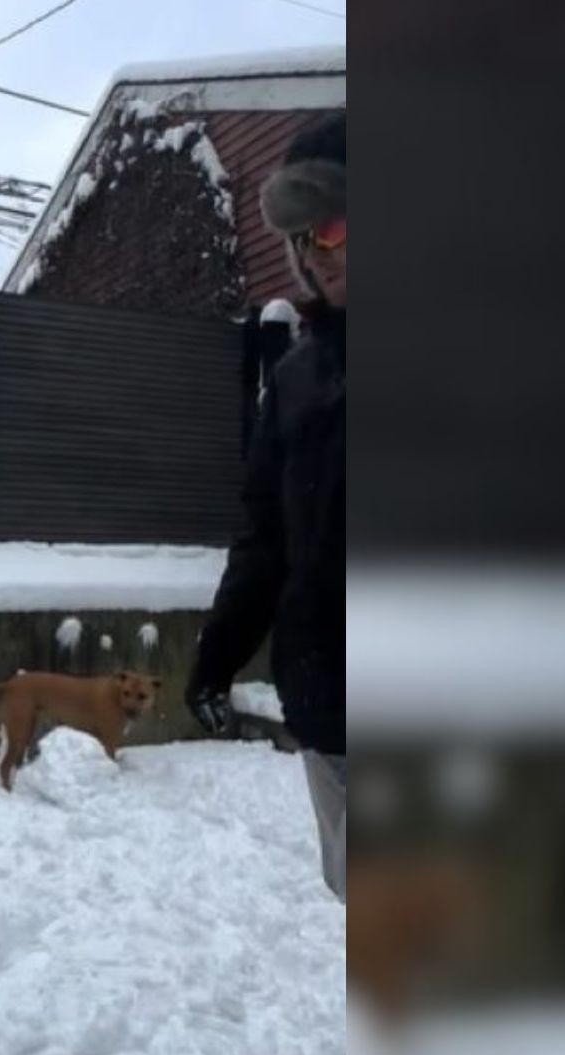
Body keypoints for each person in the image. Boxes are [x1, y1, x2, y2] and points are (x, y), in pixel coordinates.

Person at [186, 113, 347, 900]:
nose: (321, 250)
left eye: (338, 225)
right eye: (305, 236)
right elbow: (265, 540)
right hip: (332, 711)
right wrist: (217, 659)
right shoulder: (296, 379)